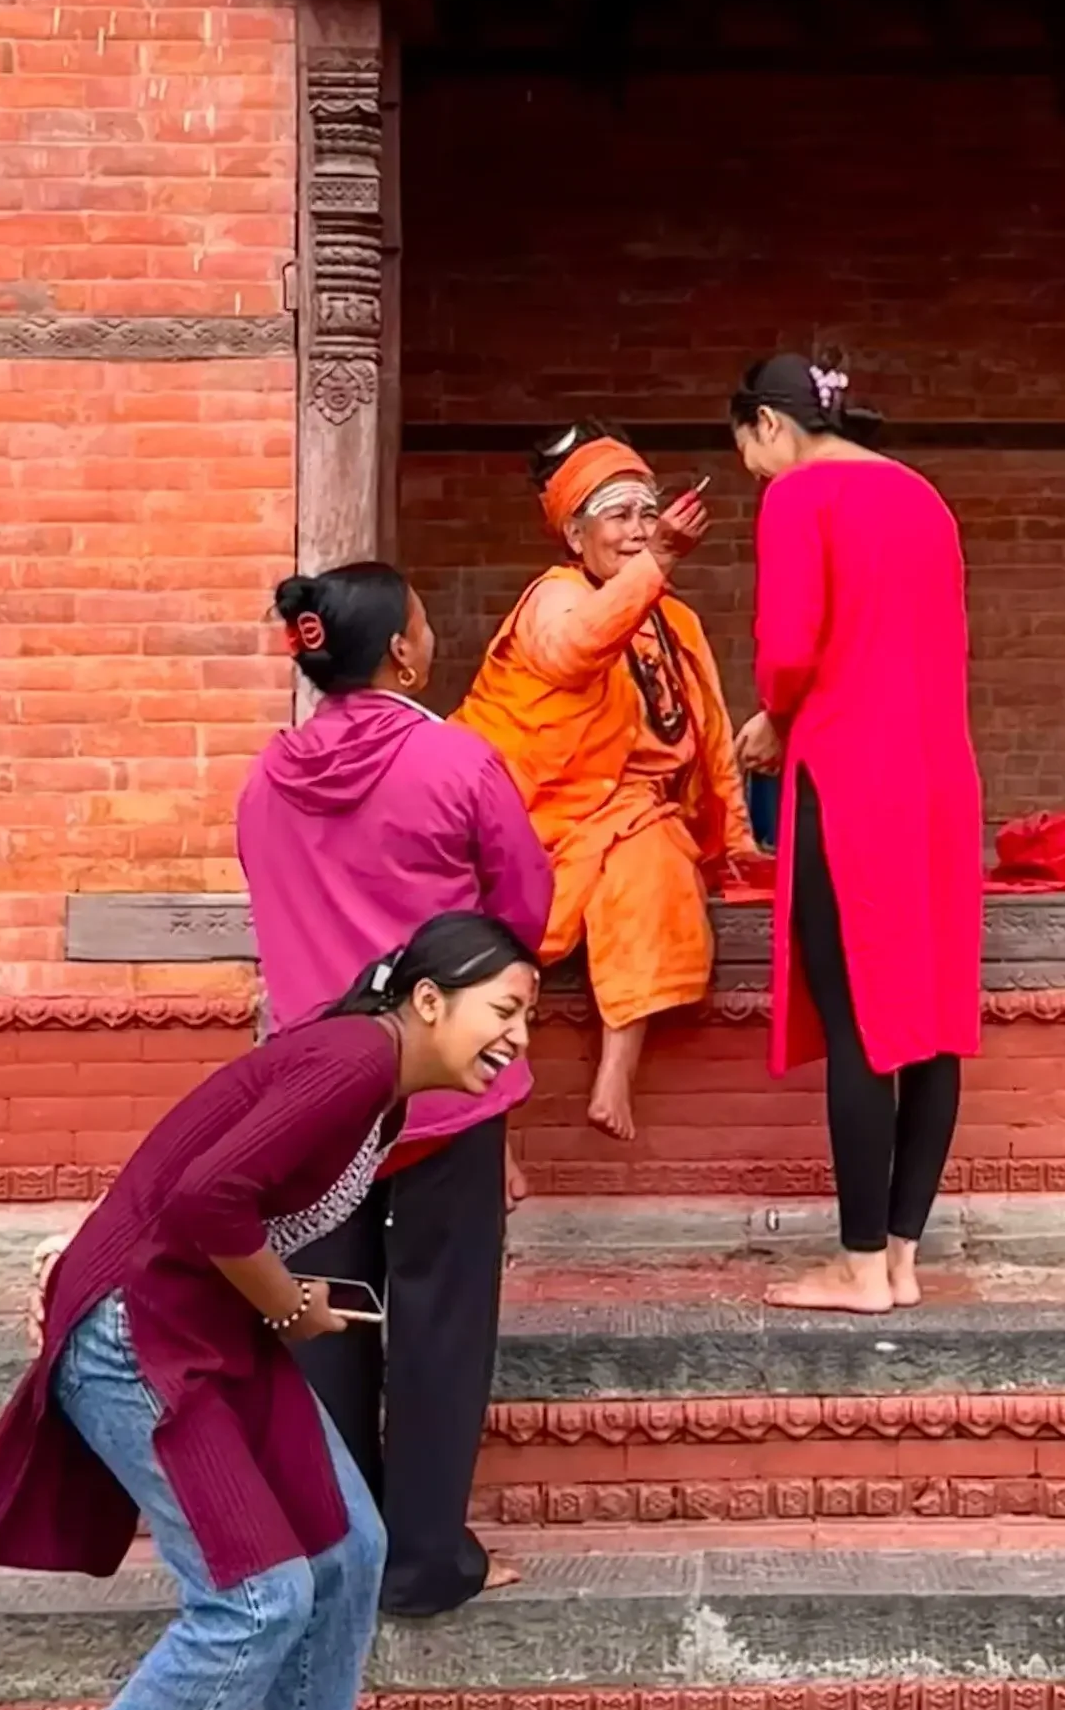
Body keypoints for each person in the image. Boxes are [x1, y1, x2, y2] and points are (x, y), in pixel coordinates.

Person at [0, 914, 540, 1710]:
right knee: (258, 1597)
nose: (520, 1038)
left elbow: (202, 1145)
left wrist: (128, 1245)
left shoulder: (378, 1085)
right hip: (142, 1336)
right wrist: (287, 1307)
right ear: (428, 999)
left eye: (528, 1018)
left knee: (349, 1552)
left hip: (210, 1326)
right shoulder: (356, 1064)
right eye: (505, 1009)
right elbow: (207, 1195)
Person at [236, 560, 553, 1616]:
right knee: (439, 1319)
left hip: (315, 1096)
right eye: (423, 621)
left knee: (322, 1317)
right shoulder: (459, 762)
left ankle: (337, 1553)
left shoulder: (266, 779)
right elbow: (522, 911)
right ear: (405, 651)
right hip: (441, 1087)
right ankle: (422, 1561)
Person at [731, 355, 982, 1315]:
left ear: (767, 424)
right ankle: (905, 1257)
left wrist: (771, 714)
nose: (754, 468)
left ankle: (861, 1266)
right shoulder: (922, 495)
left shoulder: (802, 497)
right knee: (927, 1022)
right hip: (937, 781)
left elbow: (791, 648)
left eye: (749, 448)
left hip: (849, 776)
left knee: (860, 1024)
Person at [455, 421, 756, 1141]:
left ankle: (614, 1073)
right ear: (574, 537)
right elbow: (571, 655)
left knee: (652, 873)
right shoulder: (552, 598)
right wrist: (655, 563)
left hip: (634, 815)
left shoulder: (673, 617)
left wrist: (735, 837)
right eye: (618, 517)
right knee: (499, 952)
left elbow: (711, 734)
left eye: (648, 514)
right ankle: (489, 1138)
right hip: (541, 816)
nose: (636, 532)